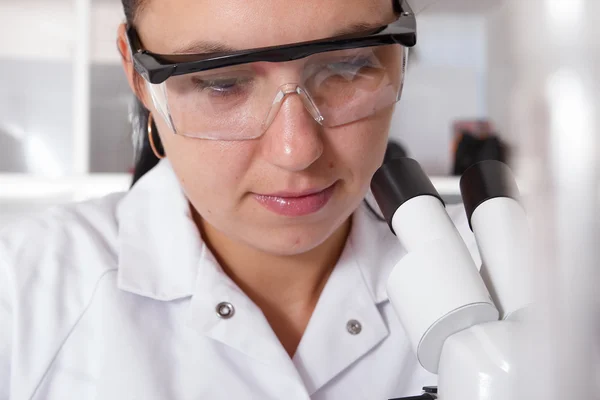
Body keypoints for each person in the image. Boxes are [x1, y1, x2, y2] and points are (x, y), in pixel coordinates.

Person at [0, 0, 480, 398]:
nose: (297, 151)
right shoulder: (23, 298)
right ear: (136, 73)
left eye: (348, 66)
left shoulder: (505, 276)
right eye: (221, 82)